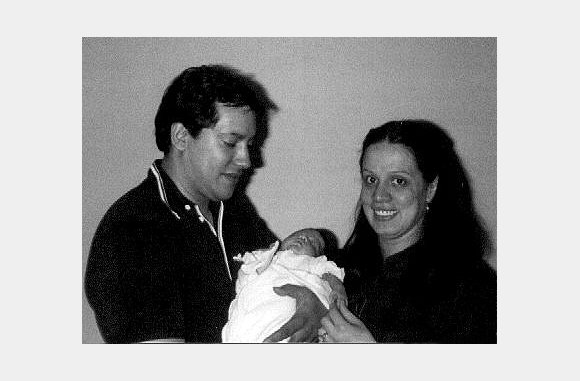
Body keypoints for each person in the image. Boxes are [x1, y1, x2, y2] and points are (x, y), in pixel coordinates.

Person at [84, 65, 328, 343]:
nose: (246, 161)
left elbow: (288, 272)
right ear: (181, 137)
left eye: (248, 145)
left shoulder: (233, 210)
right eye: (230, 142)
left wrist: (315, 302)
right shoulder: (133, 232)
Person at [319, 120, 496, 343]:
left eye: (399, 181)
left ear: (430, 189)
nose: (379, 196)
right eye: (371, 179)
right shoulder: (342, 268)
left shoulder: (469, 289)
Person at [222, 228, 346, 343]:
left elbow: (331, 274)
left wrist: (338, 289)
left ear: (317, 256)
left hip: (281, 303)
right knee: (236, 331)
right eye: (297, 235)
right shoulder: (269, 255)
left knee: (275, 331)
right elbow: (246, 269)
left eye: (313, 243)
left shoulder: (313, 263)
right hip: (253, 299)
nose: (304, 238)